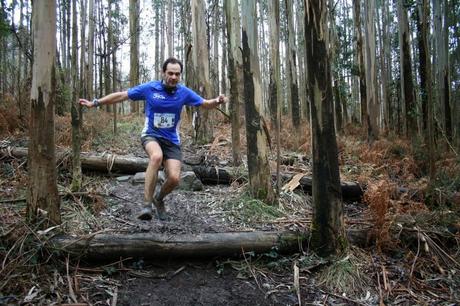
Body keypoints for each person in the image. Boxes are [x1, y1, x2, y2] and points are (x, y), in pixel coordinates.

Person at [79, 57, 227, 221]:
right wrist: (95, 102)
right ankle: (146, 205)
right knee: (156, 157)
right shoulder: (150, 88)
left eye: (177, 74)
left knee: (174, 178)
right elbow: (122, 95)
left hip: (172, 140)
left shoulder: (183, 92)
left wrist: (217, 101)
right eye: (170, 73)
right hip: (151, 135)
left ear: (180, 76)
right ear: (163, 73)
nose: (173, 77)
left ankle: (159, 198)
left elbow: (204, 103)